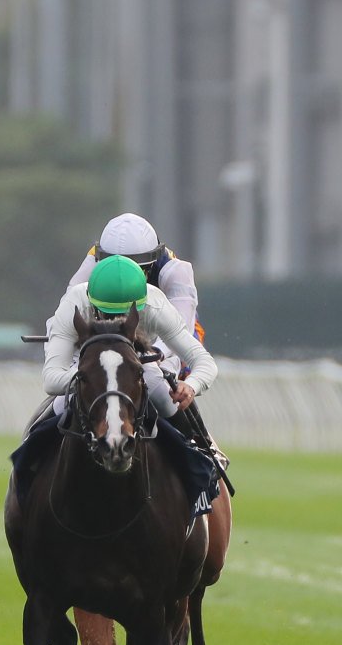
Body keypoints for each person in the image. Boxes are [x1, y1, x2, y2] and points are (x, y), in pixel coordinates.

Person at [14, 255, 221, 511]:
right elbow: (52, 379)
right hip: (88, 364)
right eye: (110, 313)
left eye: (124, 315)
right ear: (92, 302)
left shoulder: (155, 304)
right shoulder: (74, 304)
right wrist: (96, 380)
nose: (117, 320)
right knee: (56, 408)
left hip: (135, 363)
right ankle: (24, 479)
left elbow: (204, 362)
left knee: (166, 401)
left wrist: (192, 385)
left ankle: (202, 467)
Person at [62, 213, 225, 468]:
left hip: (164, 339)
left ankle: (205, 451)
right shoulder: (92, 264)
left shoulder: (176, 272)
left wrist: (141, 356)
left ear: (150, 265)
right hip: (111, 340)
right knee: (67, 397)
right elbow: (70, 313)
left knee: (160, 390)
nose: (121, 275)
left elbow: (176, 333)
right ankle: (32, 449)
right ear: (101, 260)